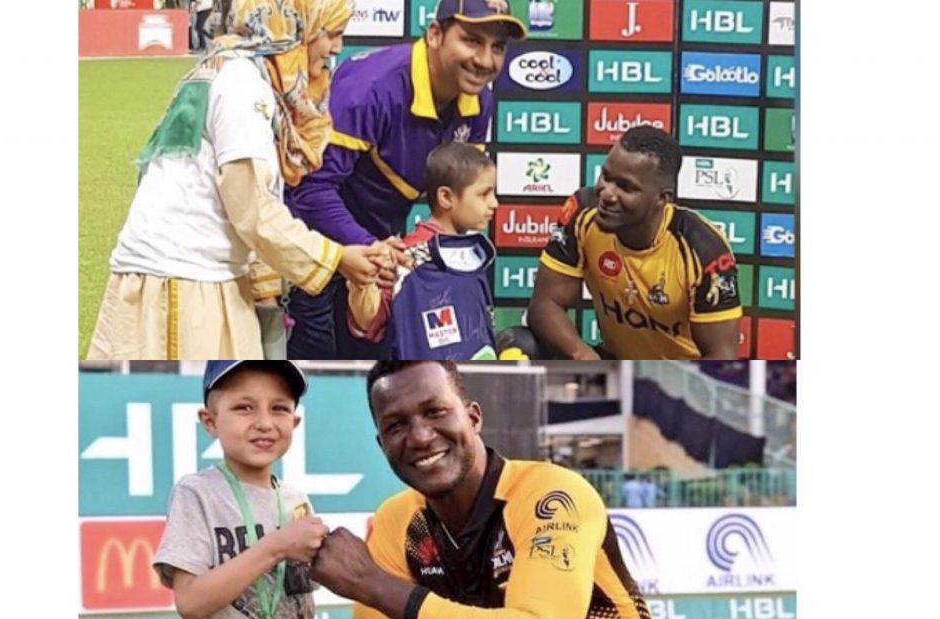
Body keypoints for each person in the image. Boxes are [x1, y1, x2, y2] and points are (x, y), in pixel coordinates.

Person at [311, 361, 689, 619]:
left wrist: (372, 583)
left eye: (435, 411)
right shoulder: (400, 522)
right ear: (382, 445)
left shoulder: (550, 496)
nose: (421, 436)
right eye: (396, 425)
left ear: (473, 417)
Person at [86, 0, 395, 360]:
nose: (337, 48)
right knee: (203, 403)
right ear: (298, 26)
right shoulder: (242, 85)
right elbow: (252, 209)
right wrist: (337, 258)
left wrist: (267, 288)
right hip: (181, 285)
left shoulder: (233, 69)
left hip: (196, 279)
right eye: (332, 33)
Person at [284, 0, 527, 359]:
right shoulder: (370, 88)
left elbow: (458, 193)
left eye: (498, 47)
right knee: (321, 365)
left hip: (382, 249)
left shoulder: (479, 99)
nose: (485, 60)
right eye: (472, 41)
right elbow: (309, 190)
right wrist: (367, 245)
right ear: (434, 34)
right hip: (318, 245)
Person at [153, 360, 329, 619]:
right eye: (244, 408)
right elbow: (189, 603)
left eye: (279, 408)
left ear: (294, 422)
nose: (264, 423)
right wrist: (276, 547)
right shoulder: (197, 493)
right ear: (210, 421)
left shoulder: (295, 501)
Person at [527, 126, 742, 360]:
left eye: (626, 187)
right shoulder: (583, 213)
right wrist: (583, 356)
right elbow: (545, 304)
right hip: (612, 362)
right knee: (520, 343)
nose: (607, 194)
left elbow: (721, 357)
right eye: (606, 177)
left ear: (663, 198)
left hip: (677, 376)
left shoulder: (703, 248)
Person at [347, 142, 499, 360]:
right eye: (484, 195)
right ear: (446, 197)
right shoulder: (405, 257)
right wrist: (361, 284)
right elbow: (369, 323)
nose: (495, 203)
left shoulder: (475, 253)